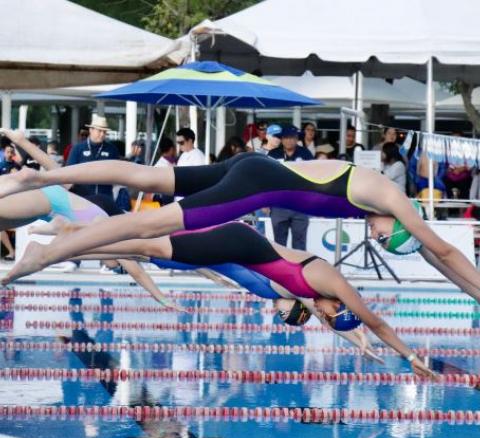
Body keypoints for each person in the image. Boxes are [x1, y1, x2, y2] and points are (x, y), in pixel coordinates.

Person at [4, 151, 480, 304]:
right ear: (398, 224)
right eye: (385, 237)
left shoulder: (377, 199)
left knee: (144, 176)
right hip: (257, 184)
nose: (375, 238)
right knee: (150, 224)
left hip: (255, 166)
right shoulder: (391, 197)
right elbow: (443, 251)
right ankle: (45, 254)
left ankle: (42, 175)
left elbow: (432, 256)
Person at [46, 221, 434, 378]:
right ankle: (73, 240)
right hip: (237, 241)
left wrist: (357, 342)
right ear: (339, 304)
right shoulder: (323, 280)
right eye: (330, 314)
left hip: (225, 254)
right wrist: (411, 356)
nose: (322, 315)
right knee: (148, 246)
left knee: (147, 253)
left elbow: (341, 324)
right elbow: (375, 321)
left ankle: (72, 242)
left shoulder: (314, 297)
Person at [0, 128, 174, 306]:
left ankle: (49, 234)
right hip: (46, 200)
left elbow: (54, 169)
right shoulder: (108, 229)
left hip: (49, 206)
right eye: (115, 265)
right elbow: (137, 270)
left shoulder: (92, 206)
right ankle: (44, 239)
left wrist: (21, 141)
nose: (112, 263)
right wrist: (161, 297)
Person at [268, 125, 314, 250]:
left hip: (300, 203)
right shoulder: (273, 154)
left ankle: (299, 269)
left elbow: (314, 177)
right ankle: (280, 269)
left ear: (296, 139)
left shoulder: (305, 154)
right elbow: (266, 178)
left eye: (291, 137)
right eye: (285, 137)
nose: (288, 140)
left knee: (300, 243)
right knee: (279, 243)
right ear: (281, 139)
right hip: (278, 204)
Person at [66, 114, 119, 199]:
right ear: (91, 130)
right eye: (99, 131)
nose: (102, 134)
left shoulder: (112, 149)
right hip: (82, 197)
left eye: (104, 132)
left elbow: (117, 173)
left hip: (105, 197)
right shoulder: (78, 148)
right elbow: (68, 172)